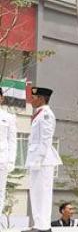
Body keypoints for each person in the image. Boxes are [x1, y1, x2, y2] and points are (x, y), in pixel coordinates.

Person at [25, 87, 62, 232]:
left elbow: (45, 139)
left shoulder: (47, 114)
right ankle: (38, 224)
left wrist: (38, 160)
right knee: (36, 193)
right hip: (35, 159)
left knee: (43, 193)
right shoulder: (39, 113)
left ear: (41, 98)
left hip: (43, 161)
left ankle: (44, 226)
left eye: (34, 98)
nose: (31, 100)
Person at [0, 88, 17, 218]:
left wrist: (11, 160)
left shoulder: (9, 117)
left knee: (0, 191)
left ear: (2, 98)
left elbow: (13, 141)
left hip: (2, 159)